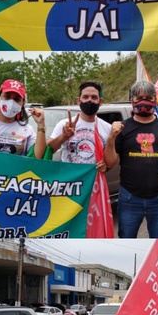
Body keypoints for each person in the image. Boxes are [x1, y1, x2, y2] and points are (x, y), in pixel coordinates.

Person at [103, 80, 158, 238]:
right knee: (126, 239)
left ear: (155, 99)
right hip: (130, 197)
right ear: (131, 100)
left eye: (148, 97)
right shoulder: (123, 128)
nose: (143, 102)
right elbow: (110, 163)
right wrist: (111, 137)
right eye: (138, 98)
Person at [48, 81, 114, 238]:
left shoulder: (106, 128)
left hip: (93, 191)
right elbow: (49, 149)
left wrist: (106, 162)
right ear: (78, 100)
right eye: (85, 97)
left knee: (91, 231)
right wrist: (64, 136)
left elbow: (111, 162)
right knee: (67, 229)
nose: (89, 101)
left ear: (100, 101)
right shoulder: (64, 124)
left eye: (94, 97)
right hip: (69, 188)